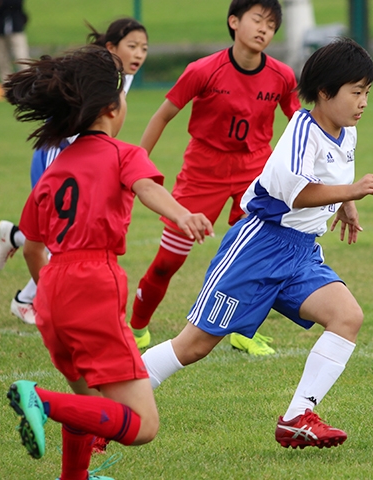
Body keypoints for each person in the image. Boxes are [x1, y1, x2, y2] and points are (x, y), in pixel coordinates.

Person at [140, 37, 373, 449]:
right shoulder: (301, 131)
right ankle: (116, 395)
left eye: (367, 93)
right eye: (356, 92)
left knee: (347, 317)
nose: (363, 102)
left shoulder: (346, 133)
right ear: (325, 93)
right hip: (259, 248)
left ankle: (296, 418)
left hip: (301, 252)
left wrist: (346, 204)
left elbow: (330, 182)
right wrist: (352, 190)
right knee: (195, 345)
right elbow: (296, 193)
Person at [3, 44, 213, 479]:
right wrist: (182, 214)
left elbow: (31, 247)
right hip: (93, 281)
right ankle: (39, 401)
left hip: (51, 291)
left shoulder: (55, 169)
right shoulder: (123, 153)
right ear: (113, 107)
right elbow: (148, 188)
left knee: (89, 403)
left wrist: (52, 293)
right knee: (142, 426)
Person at [129, 0, 301, 355]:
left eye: (271, 25)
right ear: (234, 21)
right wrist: (135, 166)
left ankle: (242, 332)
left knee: (254, 260)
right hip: (202, 173)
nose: (264, 29)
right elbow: (162, 116)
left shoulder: (283, 76)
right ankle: (137, 327)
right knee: (167, 263)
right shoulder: (203, 70)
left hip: (255, 174)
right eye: (257, 20)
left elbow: (300, 125)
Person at [0, 18, 149, 326]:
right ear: (110, 48)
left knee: (67, 236)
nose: (139, 54)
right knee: (59, 236)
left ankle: (22, 277)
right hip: (59, 156)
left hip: (84, 160)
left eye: (144, 48)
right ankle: (22, 274)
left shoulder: (121, 79)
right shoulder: (96, 73)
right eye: (131, 46)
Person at [0, 0, 30, 101]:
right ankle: (7, 88)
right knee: (1, 60)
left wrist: (4, 3)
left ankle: (27, 86)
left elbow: (17, 4)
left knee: (22, 58)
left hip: (16, 27)